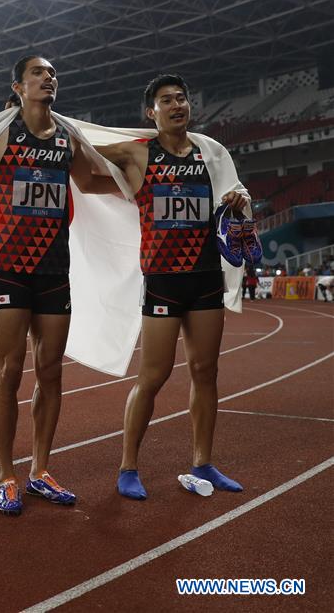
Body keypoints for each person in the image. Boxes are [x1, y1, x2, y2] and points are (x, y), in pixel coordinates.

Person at [0, 56, 100, 515]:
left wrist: (141, 186)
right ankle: (6, 474)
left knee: (51, 371)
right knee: (8, 371)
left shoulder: (69, 137)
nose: (48, 78)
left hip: (55, 269)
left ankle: (39, 470)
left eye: (53, 73)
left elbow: (93, 182)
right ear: (18, 86)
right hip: (10, 268)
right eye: (38, 73)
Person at [89, 74, 249, 500]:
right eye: (166, 100)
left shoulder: (210, 154)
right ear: (151, 112)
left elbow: (235, 193)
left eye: (181, 98)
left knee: (206, 372)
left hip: (205, 278)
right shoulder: (139, 154)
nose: (177, 105)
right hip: (162, 281)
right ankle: (128, 467)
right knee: (153, 376)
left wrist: (238, 200)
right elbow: (83, 153)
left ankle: (203, 462)